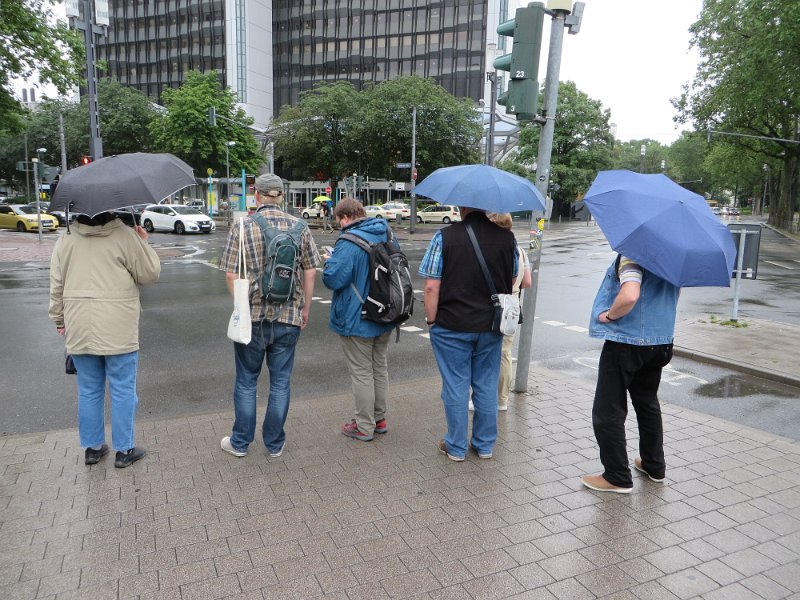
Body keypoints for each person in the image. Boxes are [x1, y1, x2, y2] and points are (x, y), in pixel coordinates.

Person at [219, 173, 321, 458]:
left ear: (257, 196)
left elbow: (230, 273)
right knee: (280, 383)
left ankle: (240, 443)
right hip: (289, 317)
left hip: (251, 319)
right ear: (282, 196)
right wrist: (305, 309)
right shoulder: (300, 227)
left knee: (246, 381)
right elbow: (310, 270)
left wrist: (241, 307)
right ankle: (274, 445)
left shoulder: (243, 225)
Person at [49, 212, 161, 468]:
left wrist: (59, 319)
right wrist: (142, 241)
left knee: (88, 389)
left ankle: (93, 447)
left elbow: (56, 283)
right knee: (123, 389)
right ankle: (124, 451)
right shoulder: (124, 235)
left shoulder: (66, 238)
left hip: (79, 325)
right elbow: (149, 274)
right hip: (118, 326)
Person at [419, 207, 517, 461]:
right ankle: (484, 446)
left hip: (452, 324)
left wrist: (431, 320)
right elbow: (514, 276)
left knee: (455, 384)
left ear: (462, 208)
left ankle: (456, 447)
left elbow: (431, 286)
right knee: (485, 384)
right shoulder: (508, 238)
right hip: (491, 325)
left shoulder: (444, 237)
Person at [581, 255, 680, 493]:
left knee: (608, 409)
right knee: (647, 403)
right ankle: (654, 465)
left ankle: (616, 476)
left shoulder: (634, 255)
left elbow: (630, 294)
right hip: (661, 341)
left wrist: (610, 315)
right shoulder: (672, 259)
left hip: (627, 341)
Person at [322, 198, 395, 441]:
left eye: (338, 221)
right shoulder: (386, 232)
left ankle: (364, 426)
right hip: (385, 312)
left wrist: (329, 262)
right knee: (379, 367)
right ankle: (379, 418)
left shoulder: (348, 241)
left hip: (358, 316)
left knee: (362, 372)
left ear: (344, 217)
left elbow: (334, 279)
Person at [489, 213, 532, 411]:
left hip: (496, 305)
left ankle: (486, 397)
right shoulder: (521, 251)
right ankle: (502, 401)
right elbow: (527, 283)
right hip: (512, 307)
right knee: (505, 354)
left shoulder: (496, 248)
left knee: (487, 353)